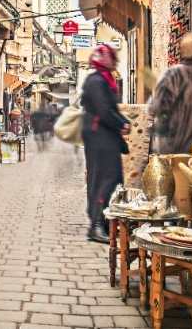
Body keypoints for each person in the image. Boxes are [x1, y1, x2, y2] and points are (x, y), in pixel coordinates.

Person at [80, 44, 129, 244]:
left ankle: (104, 221)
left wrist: (124, 122)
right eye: (112, 57)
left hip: (104, 136)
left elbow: (110, 108)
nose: (115, 61)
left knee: (113, 177)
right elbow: (103, 110)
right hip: (99, 136)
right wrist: (121, 123)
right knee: (104, 178)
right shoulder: (97, 81)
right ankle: (96, 225)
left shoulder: (103, 79)